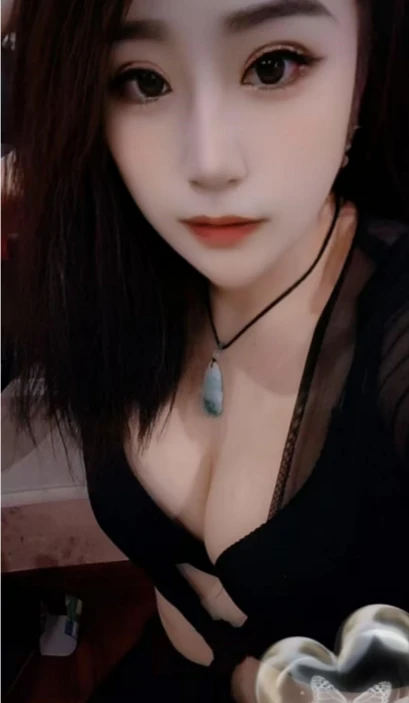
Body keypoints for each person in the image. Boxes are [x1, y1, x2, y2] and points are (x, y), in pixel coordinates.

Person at [5, 0, 409, 701]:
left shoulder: (394, 325)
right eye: (143, 81)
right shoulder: (111, 264)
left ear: (366, 67)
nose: (209, 163)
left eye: (273, 66)